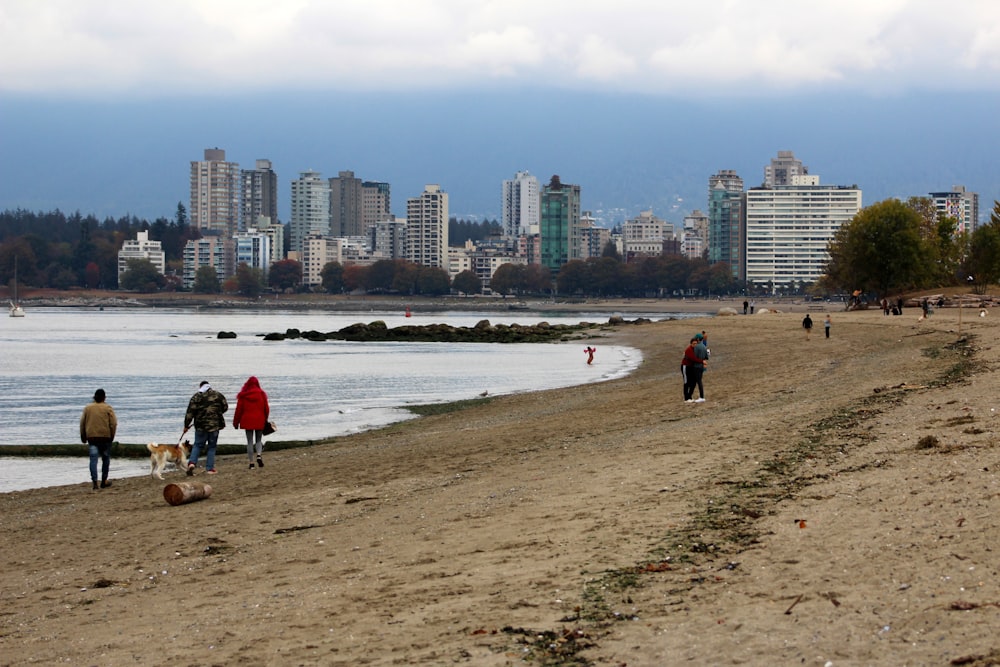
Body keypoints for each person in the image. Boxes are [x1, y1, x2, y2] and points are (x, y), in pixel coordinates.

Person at [184, 380, 228, 475]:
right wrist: (216, 413)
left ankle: (192, 463)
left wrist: (186, 425)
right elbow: (225, 407)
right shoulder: (218, 395)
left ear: (200, 387)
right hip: (215, 425)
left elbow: (190, 412)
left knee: (198, 445)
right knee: (212, 447)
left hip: (200, 426)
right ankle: (210, 468)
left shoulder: (196, 396)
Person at [80, 388, 117, 490]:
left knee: (93, 460)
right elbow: (113, 423)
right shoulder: (108, 408)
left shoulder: (88, 408)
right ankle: (104, 480)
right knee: (105, 459)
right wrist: (112, 436)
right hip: (105, 437)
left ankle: (95, 482)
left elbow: (82, 423)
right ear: (104, 398)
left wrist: (83, 437)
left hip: (92, 438)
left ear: (94, 397)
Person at [233, 376, 269, 470]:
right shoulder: (262, 394)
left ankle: (251, 463)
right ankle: (259, 455)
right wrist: (265, 419)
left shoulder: (243, 396)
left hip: (247, 420)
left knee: (249, 441)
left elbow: (238, 410)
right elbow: (266, 409)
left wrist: (236, 422)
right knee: (258, 440)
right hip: (259, 420)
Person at [682, 333, 708, 403]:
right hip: (687, 366)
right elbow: (694, 358)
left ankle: (689, 397)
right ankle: (687, 398)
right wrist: (703, 361)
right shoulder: (690, 349)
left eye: (695, 343)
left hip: (693, 367)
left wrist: (702, 361)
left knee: (694, 382)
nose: (695, 345)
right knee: (688, 382)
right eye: (693, 343)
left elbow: (695, 358)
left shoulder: (696, 348)